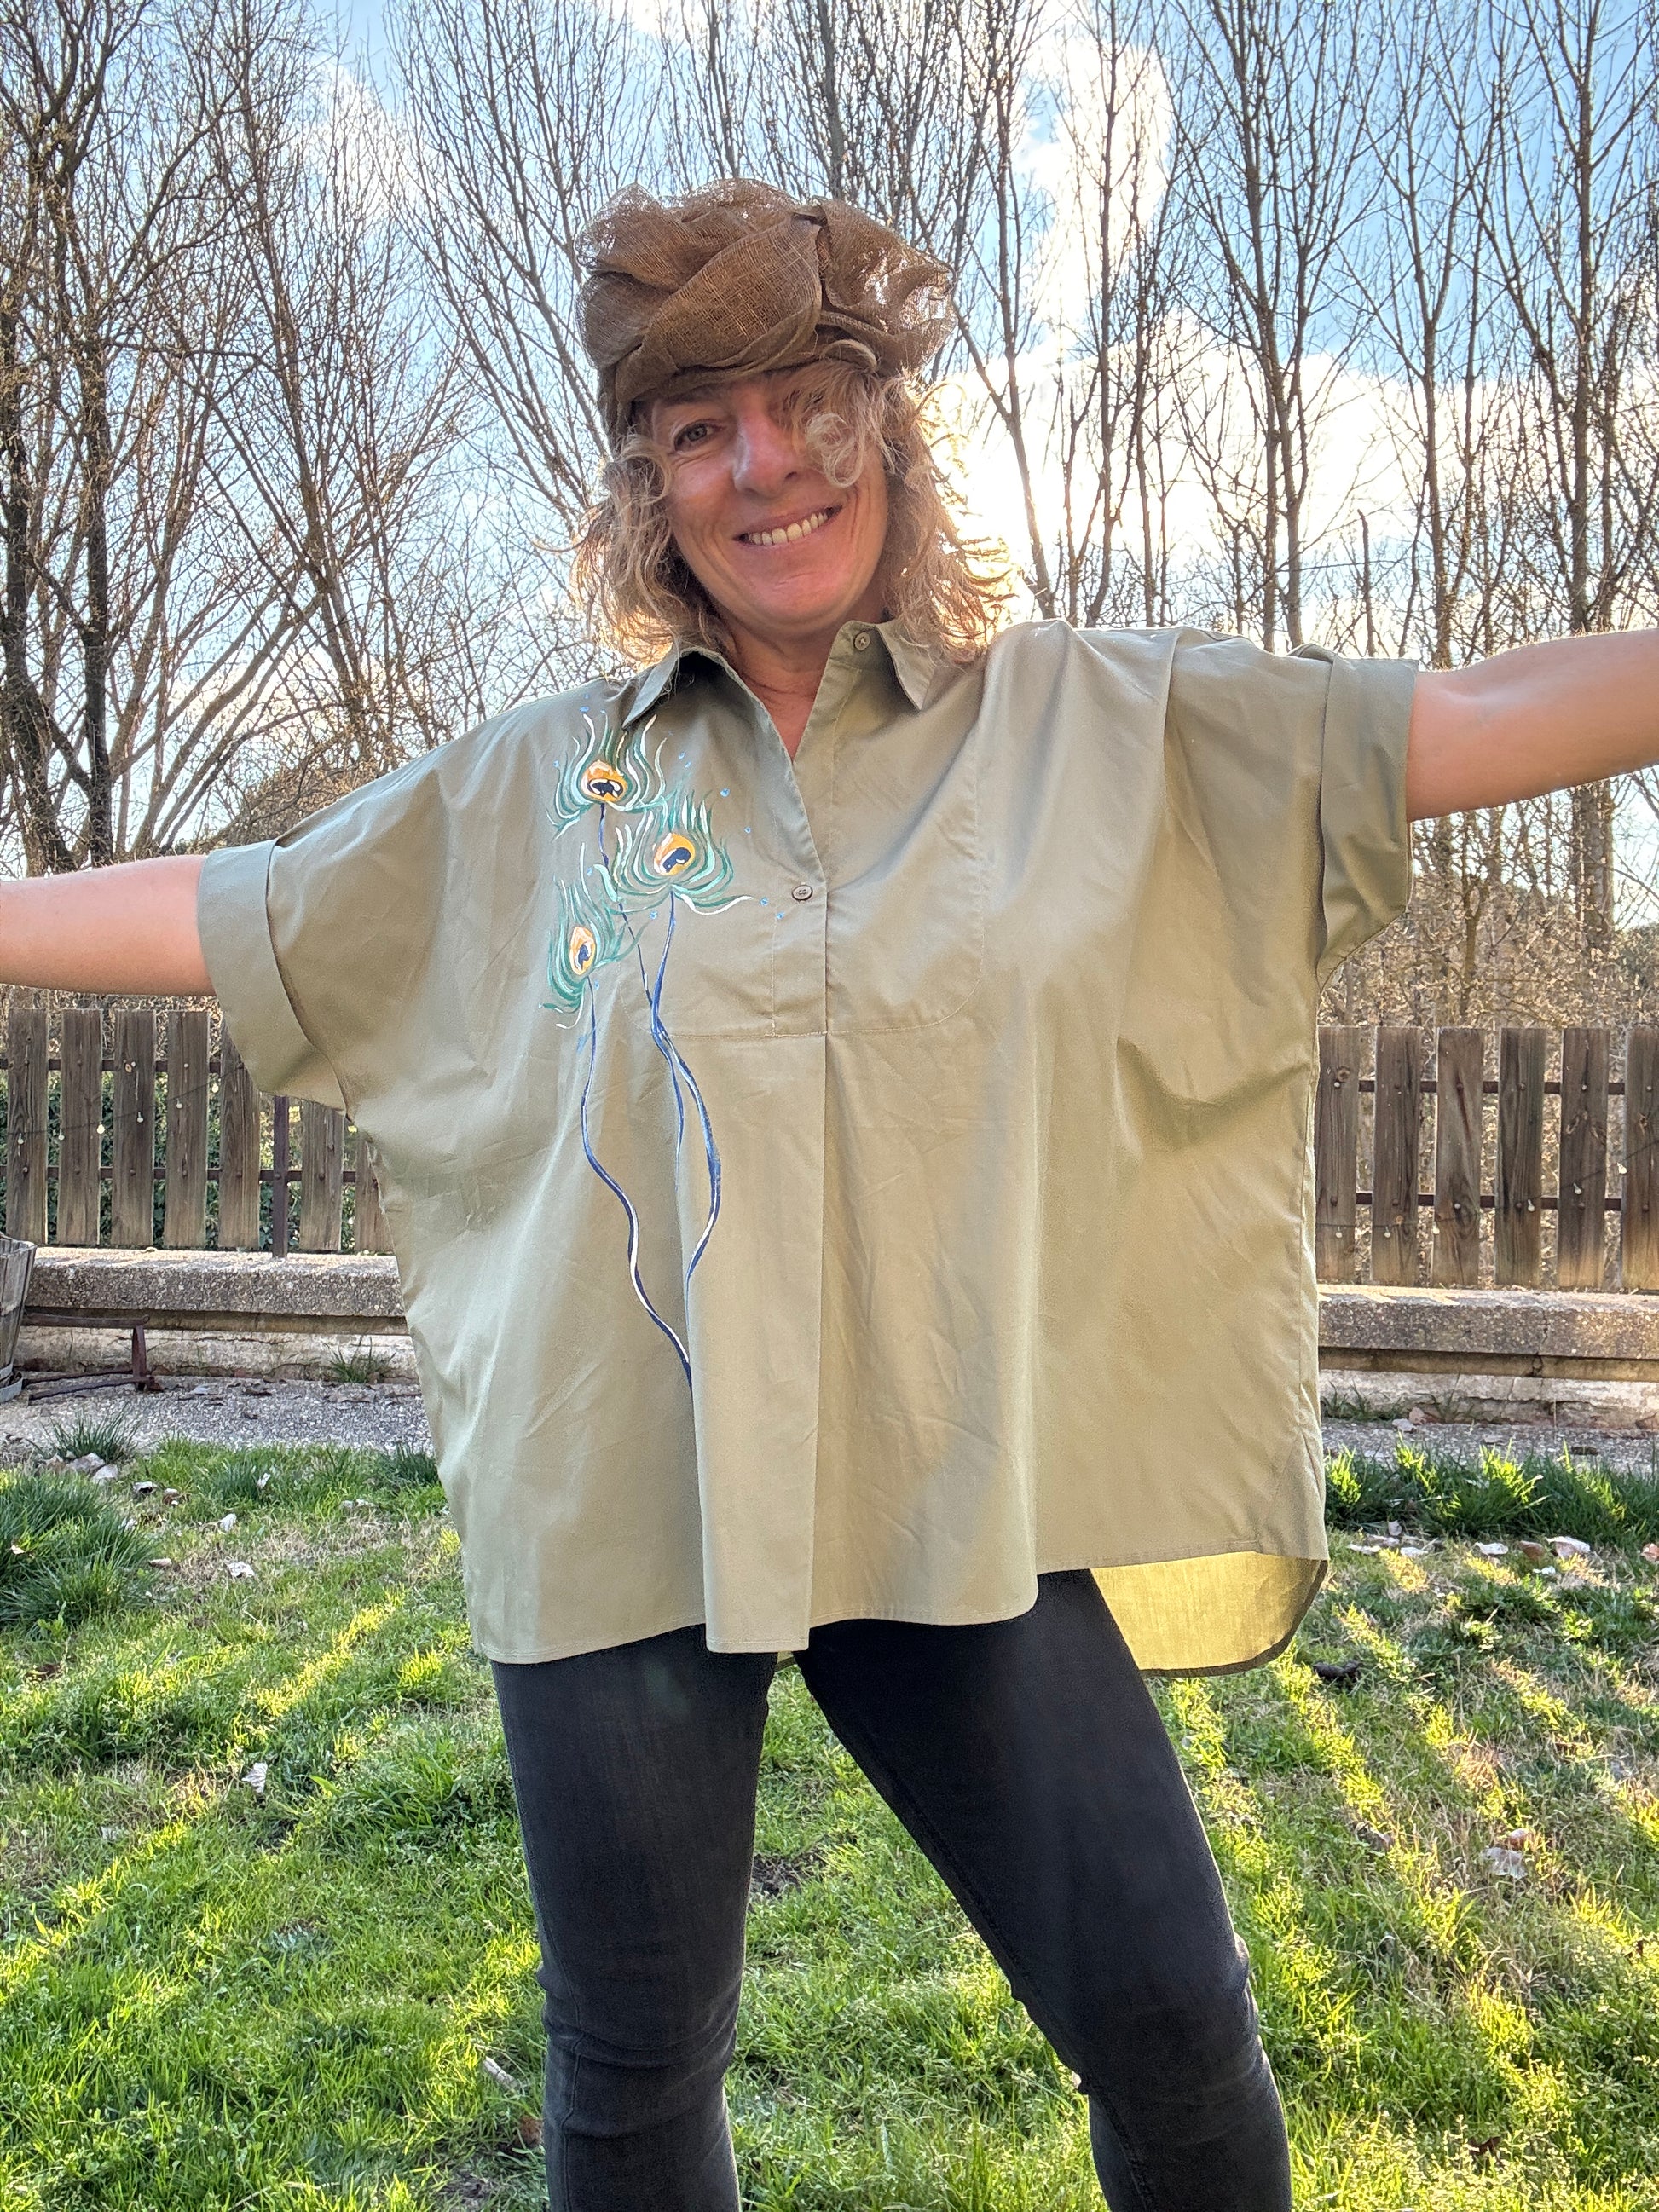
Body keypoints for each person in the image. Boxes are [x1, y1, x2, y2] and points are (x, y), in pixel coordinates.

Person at [3, 178, 1656, 2210]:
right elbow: (236, 904)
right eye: (701, 427)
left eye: (805, 403)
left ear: (885, 420)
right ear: (651, 486)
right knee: (632, 2075)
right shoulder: (541, 786)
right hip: (623, 1493)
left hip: (949, 1487)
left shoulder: (1098, 723)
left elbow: (1463, 718)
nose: (764, 465)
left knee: (1175, 2025)